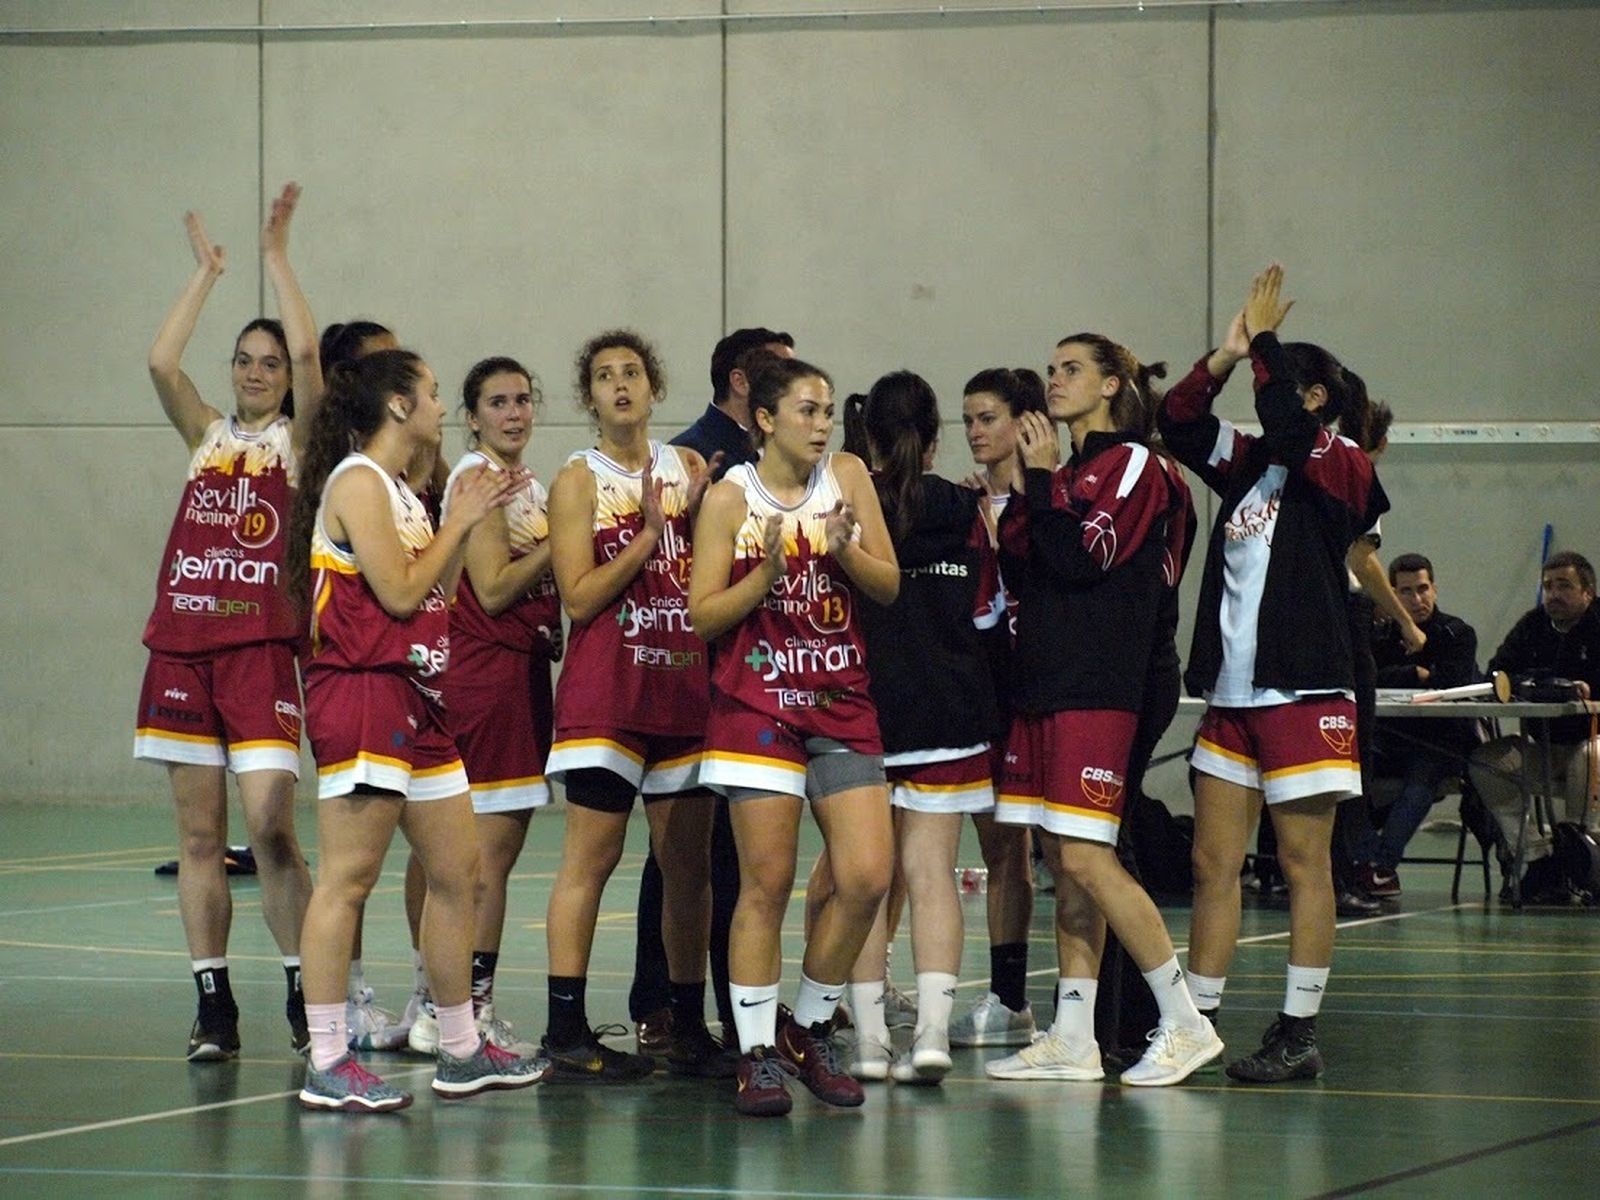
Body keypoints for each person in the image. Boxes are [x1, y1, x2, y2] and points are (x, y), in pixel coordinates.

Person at [288, 349, 544, 1111]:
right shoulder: (358, 481)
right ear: (397, 406)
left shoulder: (403, 492)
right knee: (349, 878)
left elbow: (439, 586)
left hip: (419, 696)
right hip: (363, 691)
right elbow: (399, 595)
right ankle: (328, 1059)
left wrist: (465, 519)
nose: (439, 404)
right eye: (432, 393)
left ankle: (461, 1047)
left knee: (459, 872)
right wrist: (460, 516)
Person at [1159, 265, 1389, 1084]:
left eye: (1286, 381)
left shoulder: (1344, 463)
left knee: (1302, 864)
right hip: (1233, 693)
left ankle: (1297, 1031)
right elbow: (1178, 420)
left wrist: (1267, 347)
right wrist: (1223, 358)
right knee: (1212, 864)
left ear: (1315, 395)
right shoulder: (1252, 463)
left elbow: (1290, 432)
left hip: (1305, 692)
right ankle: (1201, 1024)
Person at [986, 333, 1220, 1088]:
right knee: (1063, 858)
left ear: (1113, 384)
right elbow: (1026, 557)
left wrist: (1045, 480)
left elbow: (1083, 557)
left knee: (1090, 854)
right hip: (1049, 680)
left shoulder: (1136, 465)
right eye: (1050, 368)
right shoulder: (1066, 471)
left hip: (1105, 683)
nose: (1054, 380)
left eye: (1072, 369)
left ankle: (1186, 1023)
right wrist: (1030, 484)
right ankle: (1074, 1034)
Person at [689, 355, 900, 1117]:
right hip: (757, 705)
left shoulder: (848, 475)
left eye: (828, 410)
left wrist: (842, 549)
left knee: (868, 875)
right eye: (806, 410)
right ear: (766, 420)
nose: (822, 424)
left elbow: (889, 585)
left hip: (841, 700)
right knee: (767, 881)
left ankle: (802, 1028)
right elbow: (703, 615)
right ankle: (753, 1055)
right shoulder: (728, 498)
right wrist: (768, 574)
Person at [135, 185, 318, 1061]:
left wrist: (277, 260)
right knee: (201, 836)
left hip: (258, 653)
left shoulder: (300, 444)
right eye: (244, 359)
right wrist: (207, 273)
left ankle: (302, 979)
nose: (254, 371)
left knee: (271, 823)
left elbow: (315, 354)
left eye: (268, 363)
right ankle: (214, 1001)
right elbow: (162, 363)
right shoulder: (207, 435)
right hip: (181, 649)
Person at [541, 330, 727, 1081]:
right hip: (606, 691)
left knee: (689, 866)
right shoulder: (576, 480)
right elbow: (579, 598)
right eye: (605, 376)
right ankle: (564, 1027)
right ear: (590, 398)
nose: (621, 385)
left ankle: (687, 1024)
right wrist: (649, 535)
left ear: (654, 389)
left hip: (680, 685)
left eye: (633, 373)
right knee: (594, 858)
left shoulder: (685, 468)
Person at [628, 328, 798, 1054]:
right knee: (680, 851)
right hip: (695, 668)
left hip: (755, 673)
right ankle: (661, 1001)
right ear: (741, 382)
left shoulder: (783, 462)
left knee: (721, 853)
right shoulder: (695, 455)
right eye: (781, 374)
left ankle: (736, 1007)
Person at [839, 371, 1002, 1085]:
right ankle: (933, 1033)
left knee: (866, 884)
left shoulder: (846, 504)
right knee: (931, 875)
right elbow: (993, 612)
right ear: (936, 439)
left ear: (866, 436)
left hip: (868, 711)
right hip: (951, 710)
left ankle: (871, 1041)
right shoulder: (968, 509)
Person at [439, 357, 563, 1055]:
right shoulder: (478, 481)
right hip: (487, 680)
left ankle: (453, 1003)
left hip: (519, 677)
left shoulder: (525, 484)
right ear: (472, 415)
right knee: (485, 862)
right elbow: (489, 588)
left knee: (493, 860)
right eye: (498, 402)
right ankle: (463, 1012)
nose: (514, 413)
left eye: (523, 399)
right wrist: (561, 542)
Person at [949, 368, 1047, 1048]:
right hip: (983, 699)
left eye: (987, 417)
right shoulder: (958, 508)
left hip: (1046, 693)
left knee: (1066, 857)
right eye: (968, 421)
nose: (977, 432)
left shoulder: (1057, 498)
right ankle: (1008, 999)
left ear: (1025, 422)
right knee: (1001, 849)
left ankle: (1088, 1004)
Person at [1347, 553, 1480, 896]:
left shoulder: (1458, 633)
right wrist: (1413, 673)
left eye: (1423, 589)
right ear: (1391, 594)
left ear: (1434, 589)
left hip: (1441, 744)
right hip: (1388, 740)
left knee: (1421, 779)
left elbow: (1452, 682)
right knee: (1347, 768)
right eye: (1406, 592)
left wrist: (1419, 678)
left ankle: (1381, 866)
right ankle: (1360, 861)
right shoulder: (1379, 635)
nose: (1417, 599)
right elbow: (1365, 677)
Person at [1469, 551, 1600, 865]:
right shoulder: (1533, 624)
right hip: (1546, 747)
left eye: (1564, 586)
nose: (1553, 594)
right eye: (1548, 586)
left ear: (1588, 592)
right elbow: (1497, 675)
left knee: (1588, 756)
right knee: (1487, 762)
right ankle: (1536, 856)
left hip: (1593, 744)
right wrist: (1548, 684)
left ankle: (1583, 857)